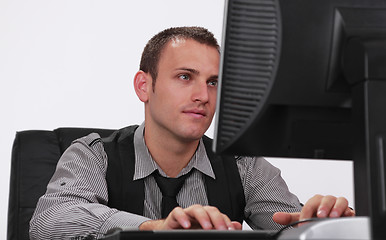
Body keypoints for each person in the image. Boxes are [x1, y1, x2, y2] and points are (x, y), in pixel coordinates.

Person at [29, 26, 355, 239]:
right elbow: (50, 221)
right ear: (145, 86)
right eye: (186, 77)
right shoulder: (94, 154)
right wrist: (155, 229)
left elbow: (289, 229)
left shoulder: (244, 165)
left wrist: (323, 225)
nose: (203, 95)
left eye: (213, 82)